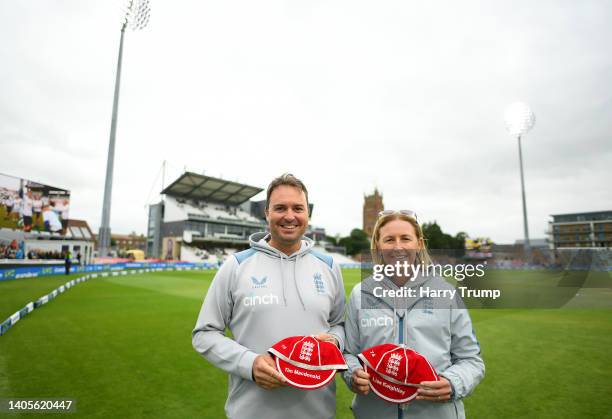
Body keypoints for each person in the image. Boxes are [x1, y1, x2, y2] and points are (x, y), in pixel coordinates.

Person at [192, 174, 346, 419]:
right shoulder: (236, 266)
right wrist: (249, 364)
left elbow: (339, 324)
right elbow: (204, 334)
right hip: (252, 412)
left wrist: (335, 342)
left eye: (298, 208)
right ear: (266, 213)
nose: (289, 216)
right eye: (280, 208)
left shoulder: (328, 267)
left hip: (318, 412)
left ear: (308, 214)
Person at [343, 210, 484, 419]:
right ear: (378, 246)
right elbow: (348, 353)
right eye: (389, 239)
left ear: (419, 244)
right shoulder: (360, 294)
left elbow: (471, 360)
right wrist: (352, 374)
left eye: (405, 238)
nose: (398, 246)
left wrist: (453, 383)